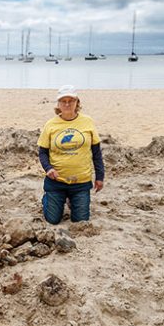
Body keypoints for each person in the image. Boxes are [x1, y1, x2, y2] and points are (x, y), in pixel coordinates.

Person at [38, 84, 104, 224]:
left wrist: (100, 177)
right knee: (53, 220)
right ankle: (49, 198)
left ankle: (71, 199)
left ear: (77, 102)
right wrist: (48, 168)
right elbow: (42, 152)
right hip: (56, 182)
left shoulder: (87, 122)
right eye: (63, 101)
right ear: (59, 104)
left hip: (81, 182)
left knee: (80, 220)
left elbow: (96, 152)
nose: (67, 104)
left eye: (71, 101)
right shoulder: (50, 124)